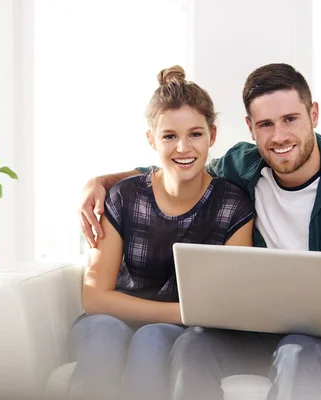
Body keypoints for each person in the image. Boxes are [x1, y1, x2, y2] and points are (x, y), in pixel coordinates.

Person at [78, 63, 321, 400]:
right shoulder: (241, 167)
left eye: (290, 119)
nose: (279, 136)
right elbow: (179, 167)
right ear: (250, 129)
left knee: (296, 355)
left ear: (313, 114)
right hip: (253, 331)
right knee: (191, 345)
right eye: (266, 124)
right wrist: (101, 182)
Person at [69, 65, 255, 400]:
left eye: (195, 134)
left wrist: (176, 319)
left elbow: (230, 303)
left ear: (212, 136)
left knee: (152, 338)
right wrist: (179, 312)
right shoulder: (123, 197)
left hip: (176, 330)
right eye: (169, 136)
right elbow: (95, 298)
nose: (183, 147)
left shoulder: (233, 206)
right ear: (151, 139)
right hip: (110, 320)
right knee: (106, 335)